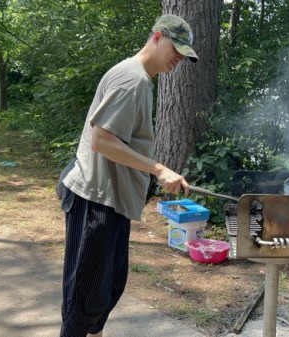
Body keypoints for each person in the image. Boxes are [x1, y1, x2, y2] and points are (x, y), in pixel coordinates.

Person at [57, 14, 199, 337]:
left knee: (103, 296)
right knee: (82, 305)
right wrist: (158, 169)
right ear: (157, 37)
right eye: (176, 48)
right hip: (96, 202)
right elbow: (101, 141)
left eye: (184, 53)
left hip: (111, 202)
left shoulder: (141, 80)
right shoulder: (131, 80)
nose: (179, 58)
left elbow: (117, 141)